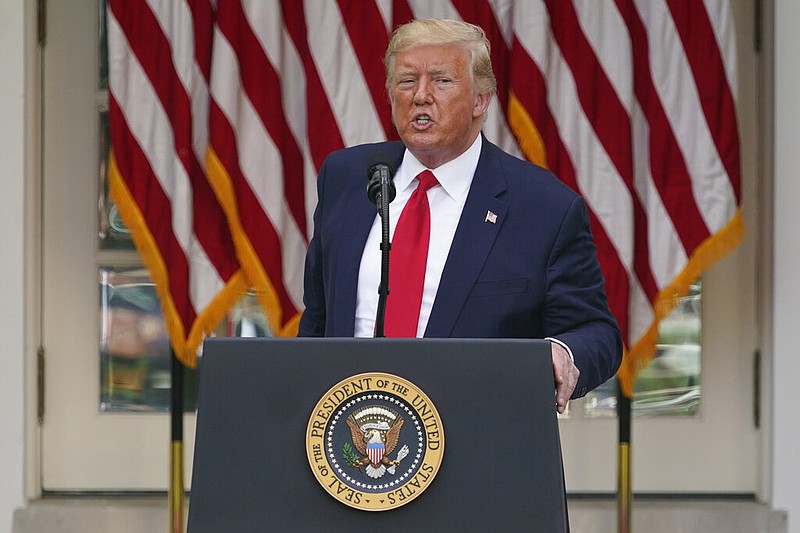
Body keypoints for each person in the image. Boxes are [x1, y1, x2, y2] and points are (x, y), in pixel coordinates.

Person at [298, 18, 622, 413]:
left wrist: (563, 353)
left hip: (477, 440)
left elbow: (596, 332)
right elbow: (318, 319)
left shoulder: (543, 207)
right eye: (406, 81)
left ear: (480, 100)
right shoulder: (348, 178)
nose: (421, 96)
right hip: (348, 443)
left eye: (442, 81)